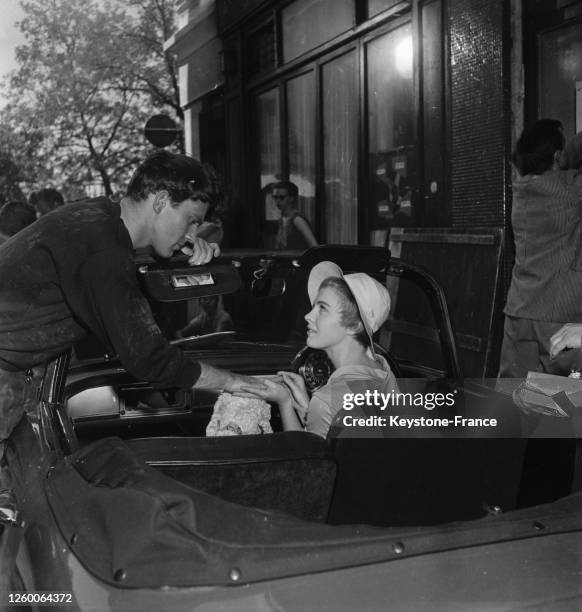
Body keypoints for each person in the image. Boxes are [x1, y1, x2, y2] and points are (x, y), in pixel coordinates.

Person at [0, 150, 264, 444]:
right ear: (162, 201)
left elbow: (122, 266)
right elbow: (147, 356)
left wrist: (179, 250)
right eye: (191, 220)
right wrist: (236, 382)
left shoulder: (98, 219)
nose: (193, 233)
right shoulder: (103, 250)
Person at [243, 261, 398, 438]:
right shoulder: (383, 370)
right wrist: (308, 410)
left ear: (354, 325)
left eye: (323, 308)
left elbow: (305, 460)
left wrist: (284, 403)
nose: (308, 316)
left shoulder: (328, 400)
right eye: (314, 306)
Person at [498, 120, 582, 377]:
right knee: (557, 405)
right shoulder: (570, 188)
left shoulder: (521, 188)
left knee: (517, 401)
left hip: (519, 310)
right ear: (557, 155)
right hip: (558, 315)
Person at [271, 181, 318, 250]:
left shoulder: (297, 219)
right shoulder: (282, 219)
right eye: (275, 197)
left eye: (281, 197)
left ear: (291, 198)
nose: (277, 201)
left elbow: (314, 246)